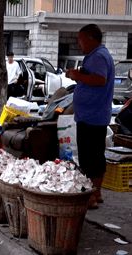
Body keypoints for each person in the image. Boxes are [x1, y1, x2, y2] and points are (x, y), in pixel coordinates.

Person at [66, 24, 114, 209]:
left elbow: (99, 79)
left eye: (81, 39)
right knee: (94, 154)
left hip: (93, 116)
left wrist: (77, 75)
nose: (79, 43)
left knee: (90, 156)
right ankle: (96, 192)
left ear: (91, 38)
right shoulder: (97, 55)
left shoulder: (99, 56)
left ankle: (92, 195)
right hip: (92, 114)